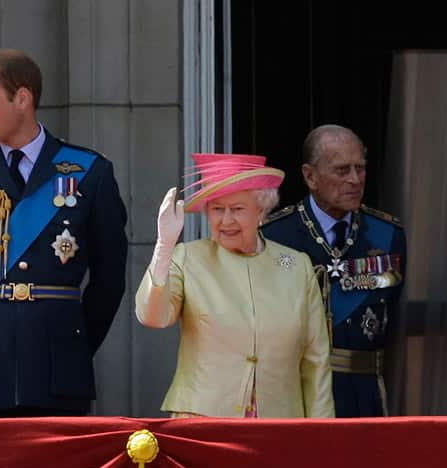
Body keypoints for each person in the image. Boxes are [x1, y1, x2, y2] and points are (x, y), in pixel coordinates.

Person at [0, 48, 128, 418]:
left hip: (58, 360)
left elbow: (109, 279)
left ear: (22, 98)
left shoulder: (88, 171)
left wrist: (73, 341)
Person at [135, 153, 334, 418]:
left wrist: (320, 433)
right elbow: (153, 317)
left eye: (237, 209)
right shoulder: (187, 258)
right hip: (204, 421)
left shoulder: (297, 267)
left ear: (261, 210)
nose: (226, 220)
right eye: (217, 209)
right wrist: (164, 249)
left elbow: (316, 361)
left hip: (280, 424)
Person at [262, 125, 406, 417]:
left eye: (360, 169)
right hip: (295, 389)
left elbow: (389, 309)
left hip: (363, 391)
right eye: (342, 170)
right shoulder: (275, 234)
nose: (355, 180)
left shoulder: (386, 234)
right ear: (310, 176)